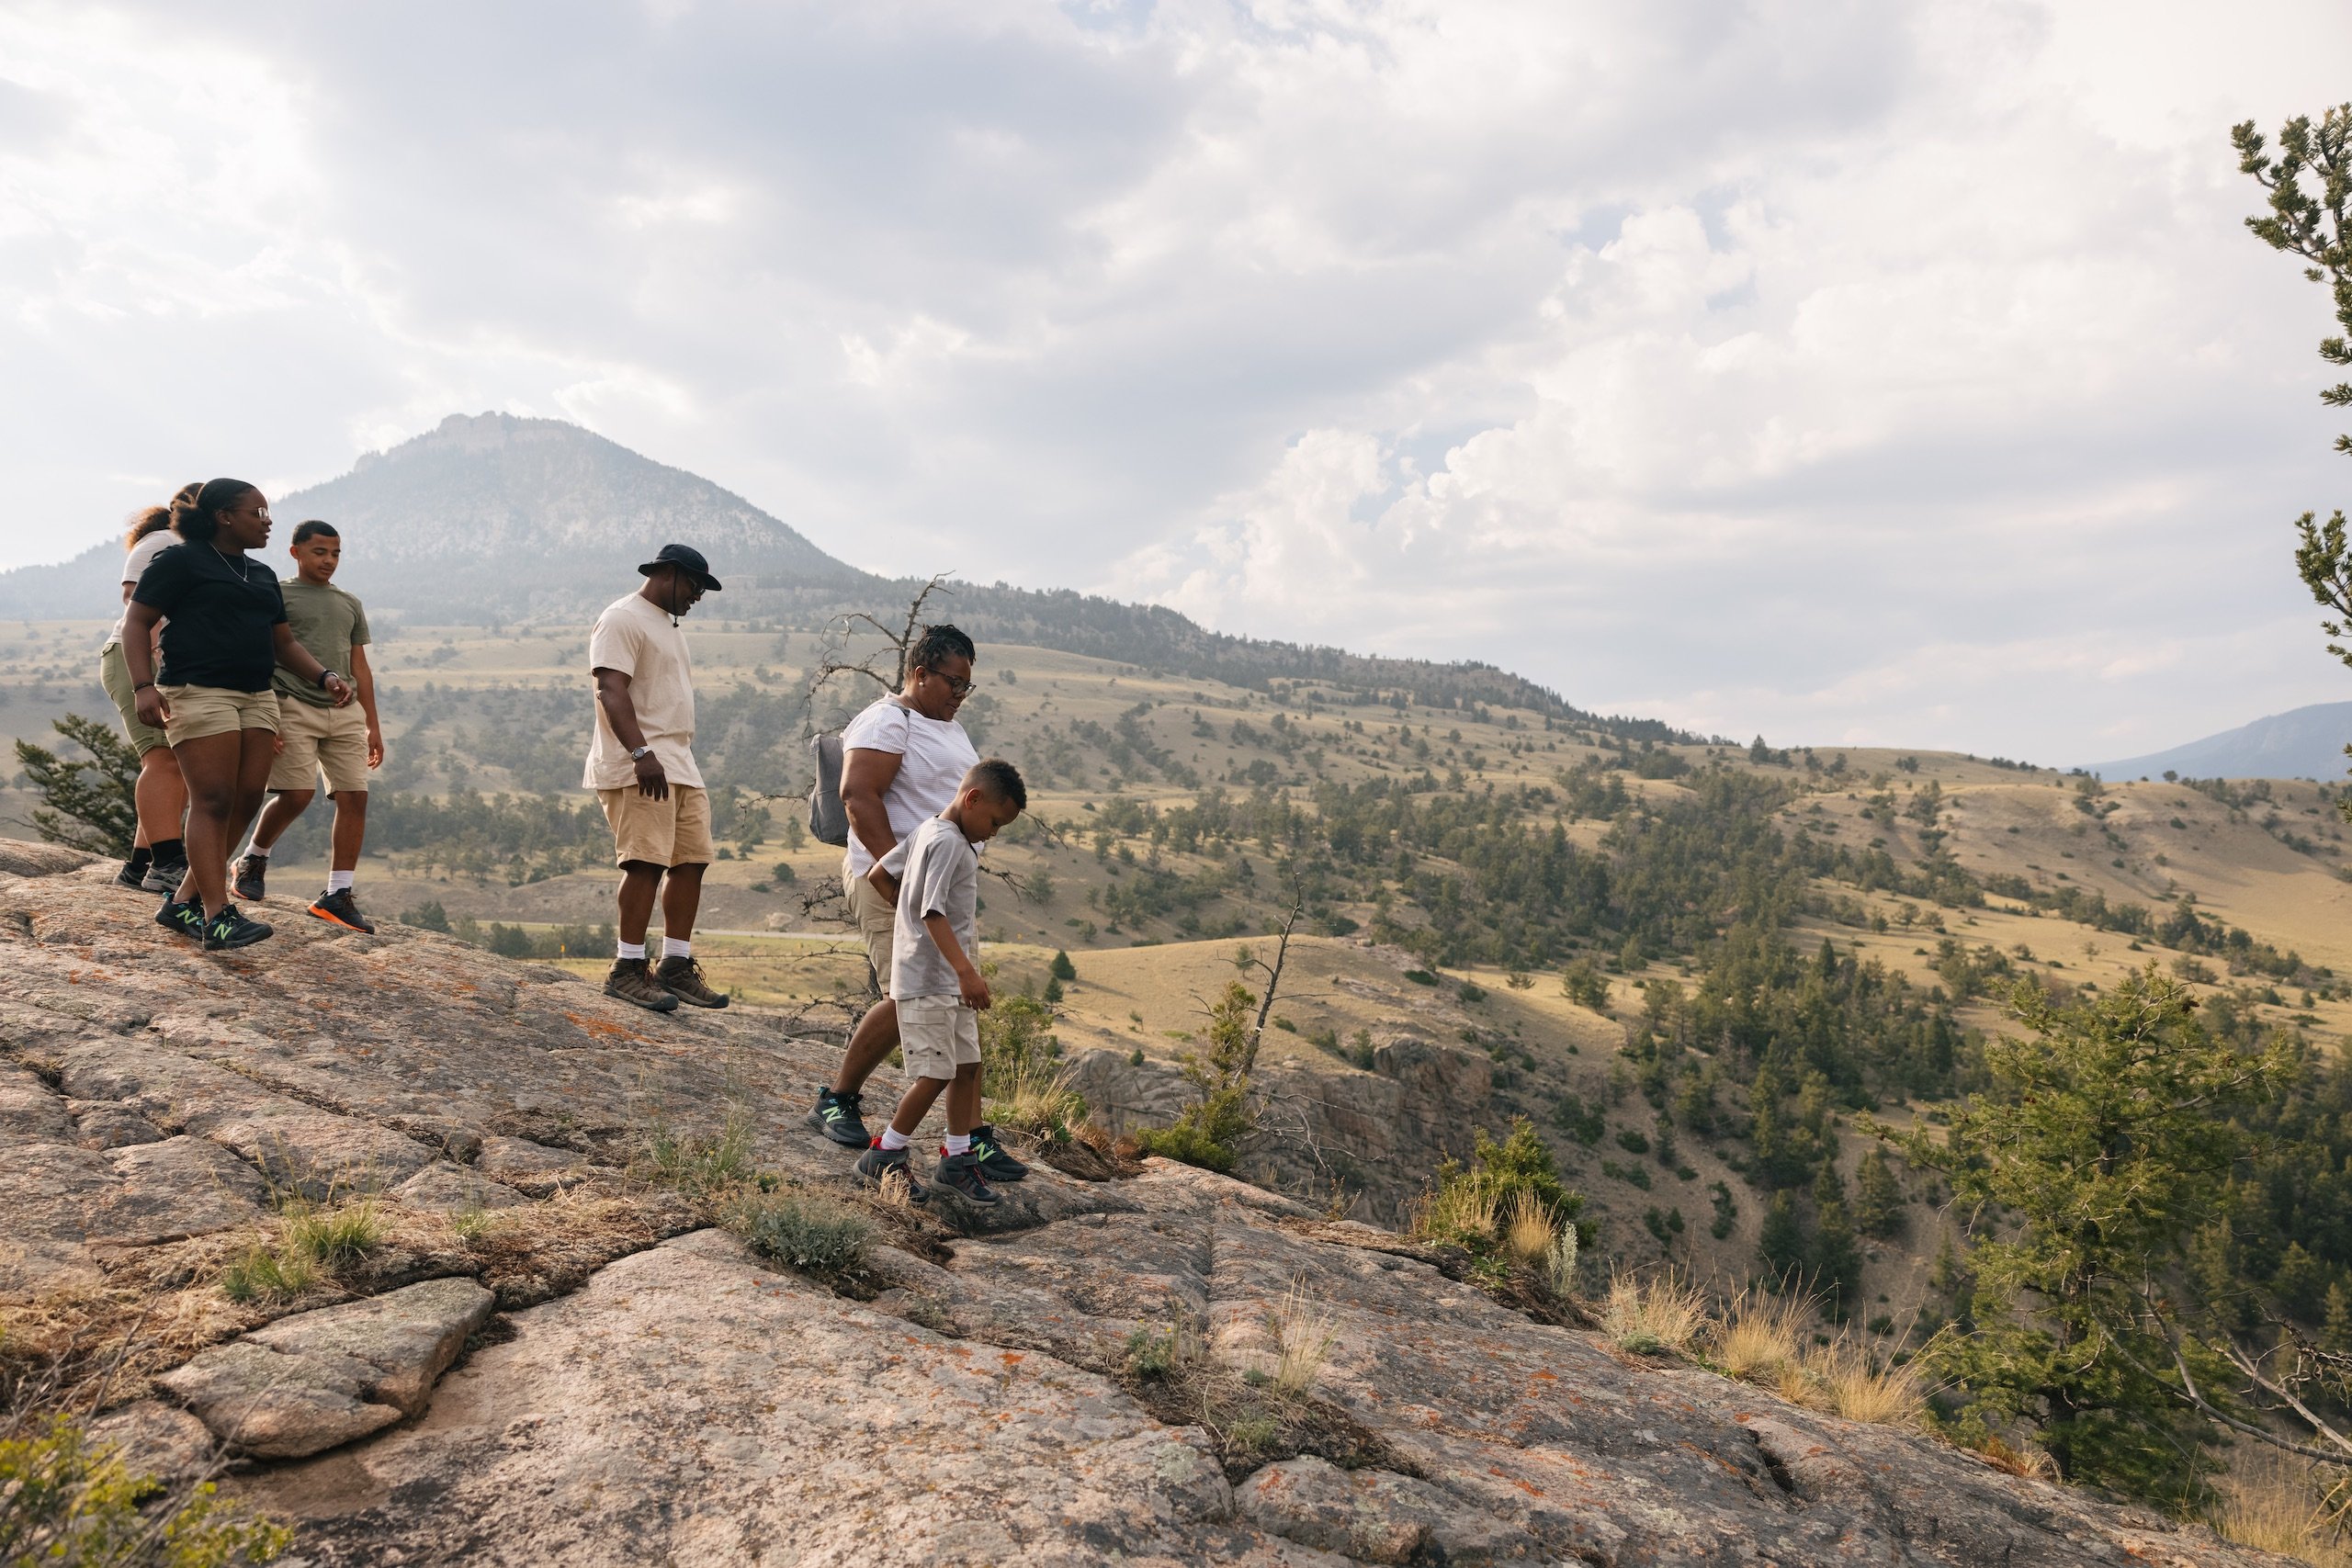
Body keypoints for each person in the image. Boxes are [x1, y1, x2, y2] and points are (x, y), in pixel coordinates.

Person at [807, 625, 1017, 1176]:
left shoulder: (950, 729)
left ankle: (970, 1140)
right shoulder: (885, 720)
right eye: (951, 681)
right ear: (919, 673)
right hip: (892, 879)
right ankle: (838, 1098)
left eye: (966, 686)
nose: (958, 694)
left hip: (934, 881)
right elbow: (858, 796)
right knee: (909, 996)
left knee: (943, 999)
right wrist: (899, 881)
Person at [122, 480, 354, 952]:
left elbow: (283, 644)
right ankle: (217, 916)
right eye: (258, 513)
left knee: (247, 798)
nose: (267, 521)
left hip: (255, 695)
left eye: (267, 513)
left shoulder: (261, 574)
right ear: (225, 516)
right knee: (213, 799)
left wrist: (324, 676)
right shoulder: (181, 561)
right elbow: (137, 621)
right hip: (197, 691)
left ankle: (182, 902)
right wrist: (144, 686)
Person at [853, 759, 1026, 1205]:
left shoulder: (927, 829)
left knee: (967, 1066)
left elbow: (879, 875)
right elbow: (933, 911)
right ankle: (885, 1153)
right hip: (932, 981)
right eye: (993, 821)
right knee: (936, 1073)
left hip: (944, 980)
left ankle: (958, 1158)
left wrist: (906, 918)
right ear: (973, 799)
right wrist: (965, 971)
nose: (993, 833)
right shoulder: (950, 843)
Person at [585, 544, 728, 1012]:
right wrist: (640, 752)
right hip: (640, 763)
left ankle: (675, 964)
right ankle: (627, 968)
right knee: (644, 861)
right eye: (693, 585)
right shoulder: (622, 618)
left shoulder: (667, 625)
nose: (698, 596)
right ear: (667, 574)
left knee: (691, 861)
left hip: (679, 761)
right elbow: (610, 687)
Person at [231, 521, 384, 932]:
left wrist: (372, 724)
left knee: (355, 797)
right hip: (290, 705)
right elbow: (260, 653)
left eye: (335, 554)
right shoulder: (277, 595)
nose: (329, 561)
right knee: (296, 795)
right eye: (319, 552)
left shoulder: (349, 603)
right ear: (295, 552)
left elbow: (360, 668)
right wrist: (266, 717)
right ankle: (253, 859)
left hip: (345, 710)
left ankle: (337, 894)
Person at [96, 489, 196, 892]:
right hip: (137, 658)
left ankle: (140, 865)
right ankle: (168, 863)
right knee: (165, 761)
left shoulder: (193, 550)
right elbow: (135, 600)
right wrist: (154, 666)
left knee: (177, 765)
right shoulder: (163, 542)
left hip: (163, 662)